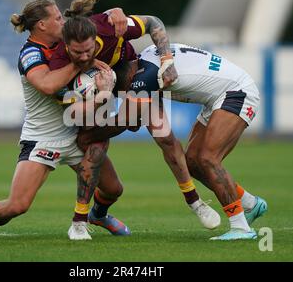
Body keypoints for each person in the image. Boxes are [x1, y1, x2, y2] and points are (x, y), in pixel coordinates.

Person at [0, 0, 131, 242]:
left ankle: (97, 215)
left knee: (113, 189)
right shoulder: (31, 53)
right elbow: (47, 84)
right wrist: (83, 62)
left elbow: (90, 25)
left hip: (76, 135)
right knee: (17, 205)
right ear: (41, 25)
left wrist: (113, 12)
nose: (62, 22)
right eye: (57, 18)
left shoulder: (66, 43)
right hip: (43, 139)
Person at [49, 0, 221, 230]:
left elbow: (153, 22)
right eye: (77, 53)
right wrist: (100, 95)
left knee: (166, 137)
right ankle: (79, 220)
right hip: (96, 95)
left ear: (95, 38)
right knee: (95, 146)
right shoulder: (58, 58)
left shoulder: (109, 26)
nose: (85, 57)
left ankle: (194, 201)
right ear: (66, 45)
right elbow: (64, 100)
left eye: (88, 50)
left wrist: (167, 60)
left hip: (133, 82)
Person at [78, 43, 268, 240]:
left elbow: (127, 121)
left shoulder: (144, 78)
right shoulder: (147, 62)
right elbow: (135, 121)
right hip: (219, 97)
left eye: (120, 93)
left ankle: (241, 227)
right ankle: (250, 204)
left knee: (207, 159)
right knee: (192, 162)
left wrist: (87, 136)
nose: (123, 96)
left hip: (237, 91)